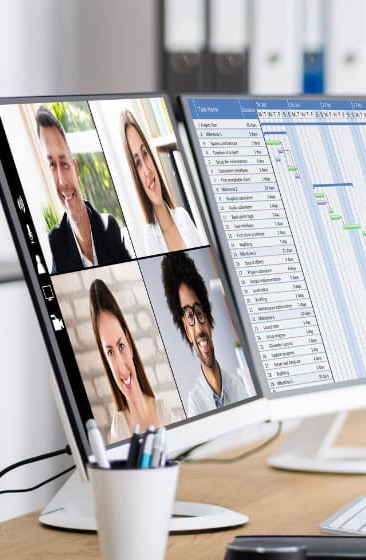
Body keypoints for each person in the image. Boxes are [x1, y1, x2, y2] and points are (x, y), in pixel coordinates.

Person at [35, 106, 132, 273]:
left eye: (64, 164)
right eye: (52, 165)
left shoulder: (109, 229)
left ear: (76, 170)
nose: (61, 180)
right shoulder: (56, 243)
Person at [161, 251, 251, 416]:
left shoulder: (238, 386)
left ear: (208, 320)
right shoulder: (195, 404)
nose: (199, 329)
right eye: (189, 315)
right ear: (186, 332)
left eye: (199, 312)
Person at [89, 278, 175, 442]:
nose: (121, 367)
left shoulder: (163, 410)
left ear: (129, 343)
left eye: (121, 346)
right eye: (110, 352)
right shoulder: (118, 427)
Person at [119, 109, 202, 254]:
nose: (146, 171)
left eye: (145, 154)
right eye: (137, 162)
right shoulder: (150, 240)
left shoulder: (183, 217)